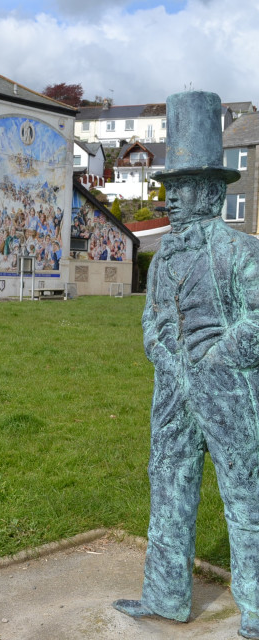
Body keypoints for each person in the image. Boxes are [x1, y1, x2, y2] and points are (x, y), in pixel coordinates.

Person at [112, 91, 259, 639]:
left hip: (226, 395)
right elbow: (152, 319)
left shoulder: (243, 253)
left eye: (178, 190)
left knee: (245, 498)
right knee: (168, 490)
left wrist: (218, 357)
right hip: (173, 394)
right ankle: (166, 596)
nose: (169, 200)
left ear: (206, 192)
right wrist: (162, 352)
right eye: (167, 189)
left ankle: (256, 606)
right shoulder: (165, 258)